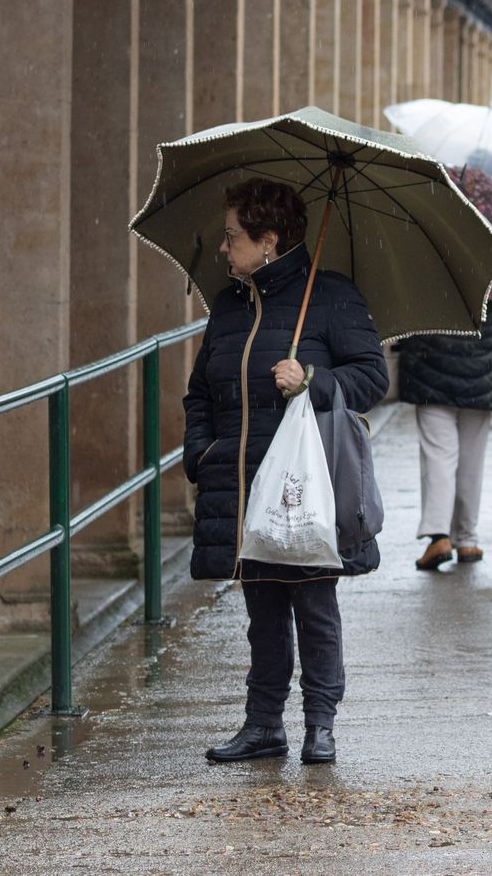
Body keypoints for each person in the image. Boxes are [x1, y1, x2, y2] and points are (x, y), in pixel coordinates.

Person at [183, 178, 387, 766]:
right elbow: (200, 393)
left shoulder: (330, 297)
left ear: (268, 240)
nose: (224, 249)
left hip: (304, 486)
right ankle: (263, 725)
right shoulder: (228, 305)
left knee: (314, 608)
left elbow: (372, 378)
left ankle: (319, 725)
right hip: (241, 484)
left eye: (232, 237)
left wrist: (315, 380)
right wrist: (201, 453)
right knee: (262, 614)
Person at [399, 299, 492, 570]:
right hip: (481, 378)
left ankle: (439, 536)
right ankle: (467, 540)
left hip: (430, 374)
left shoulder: (424, 262)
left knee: (438, 459)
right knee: (471, 464)